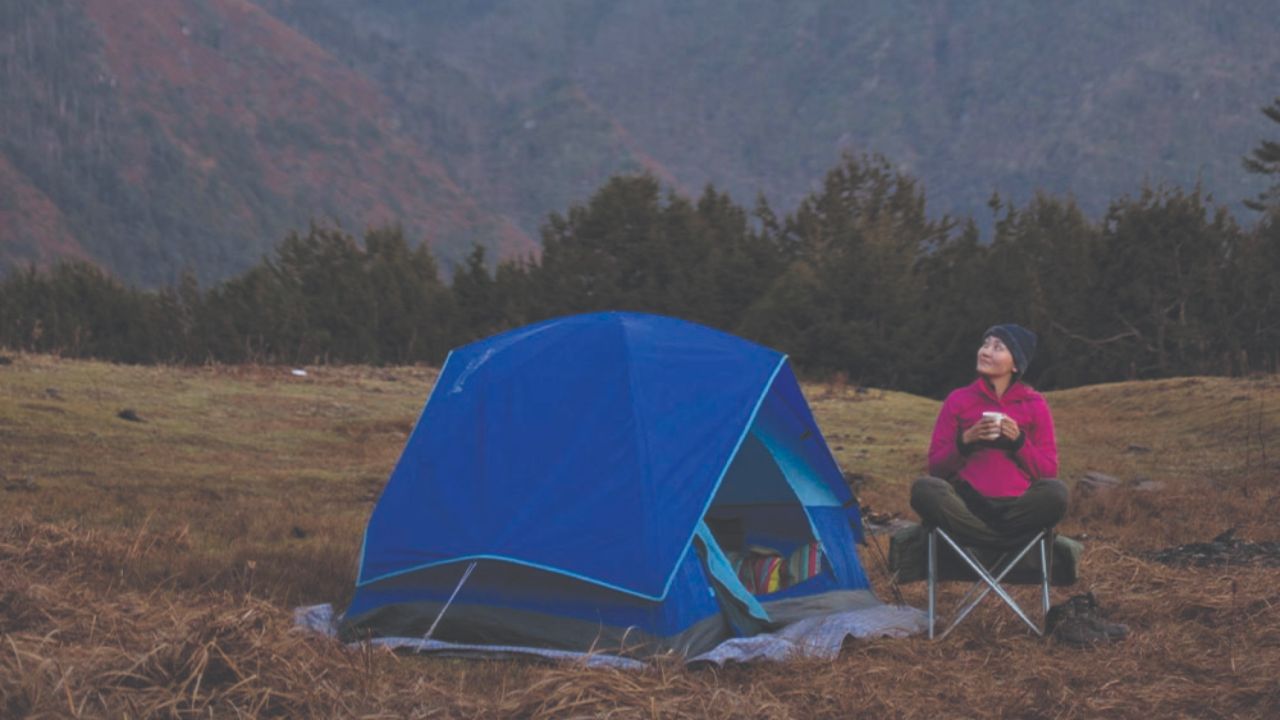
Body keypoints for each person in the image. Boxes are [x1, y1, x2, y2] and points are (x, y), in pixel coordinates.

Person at [910, 324, 1068, 546]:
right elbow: (936, 468)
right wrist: (966, 440)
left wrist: (1019, 441)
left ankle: (984, 537)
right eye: (985, 344)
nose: (985, 351)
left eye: (998, 347)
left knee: (1056, 492)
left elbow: (1048, 472)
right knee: (924, 489)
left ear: (1015, 365)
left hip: (1016, 507)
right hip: (967, 506)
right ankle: (999, 539)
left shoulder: (1034, 404)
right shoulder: (958, 400)